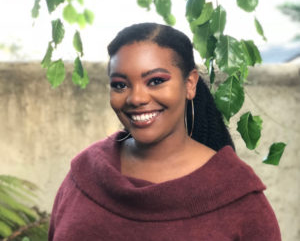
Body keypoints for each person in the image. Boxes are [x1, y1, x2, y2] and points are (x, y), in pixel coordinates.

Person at [48, 23, 281, 240]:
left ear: (190, 84)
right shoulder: (86, 173)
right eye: (120, 84)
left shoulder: (238, 197)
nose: (136, 98)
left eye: (155, 81)